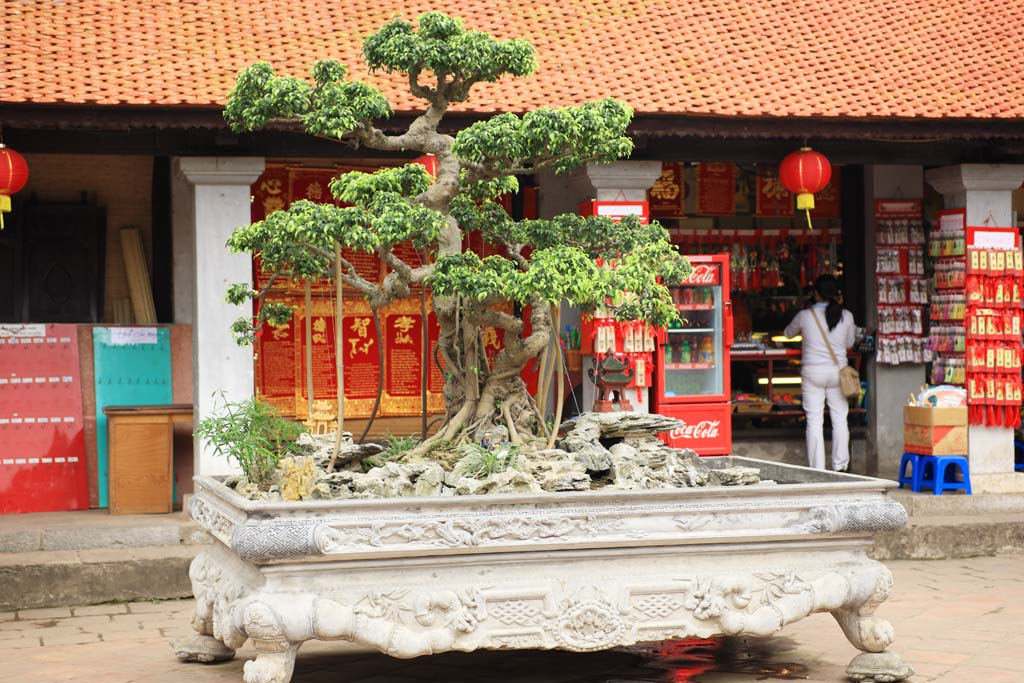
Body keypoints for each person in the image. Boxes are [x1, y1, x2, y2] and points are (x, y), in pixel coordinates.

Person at [784, 275, 856, 471]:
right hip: (838, 373)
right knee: (840, 418)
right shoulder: (847, 316)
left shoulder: (804, 316)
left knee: (814, 421)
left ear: (815, 293)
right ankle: (840, 466)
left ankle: (817, 468)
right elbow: (850, 343)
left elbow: (787, 334)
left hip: (813, 373)